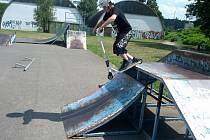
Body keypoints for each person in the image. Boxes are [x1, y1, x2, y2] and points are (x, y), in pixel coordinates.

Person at [93, 0, 141, 71]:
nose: (103, 9)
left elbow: (113, 18)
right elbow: (102, 21)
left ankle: (127, 61)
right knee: (117, 48)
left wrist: (101, 27)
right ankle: (134, 60)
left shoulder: (115, 10)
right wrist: (95, 28)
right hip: (120, 33)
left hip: (127, 31)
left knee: (118, 46)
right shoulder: (107, 13)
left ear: (108, 5)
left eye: (104, 7)